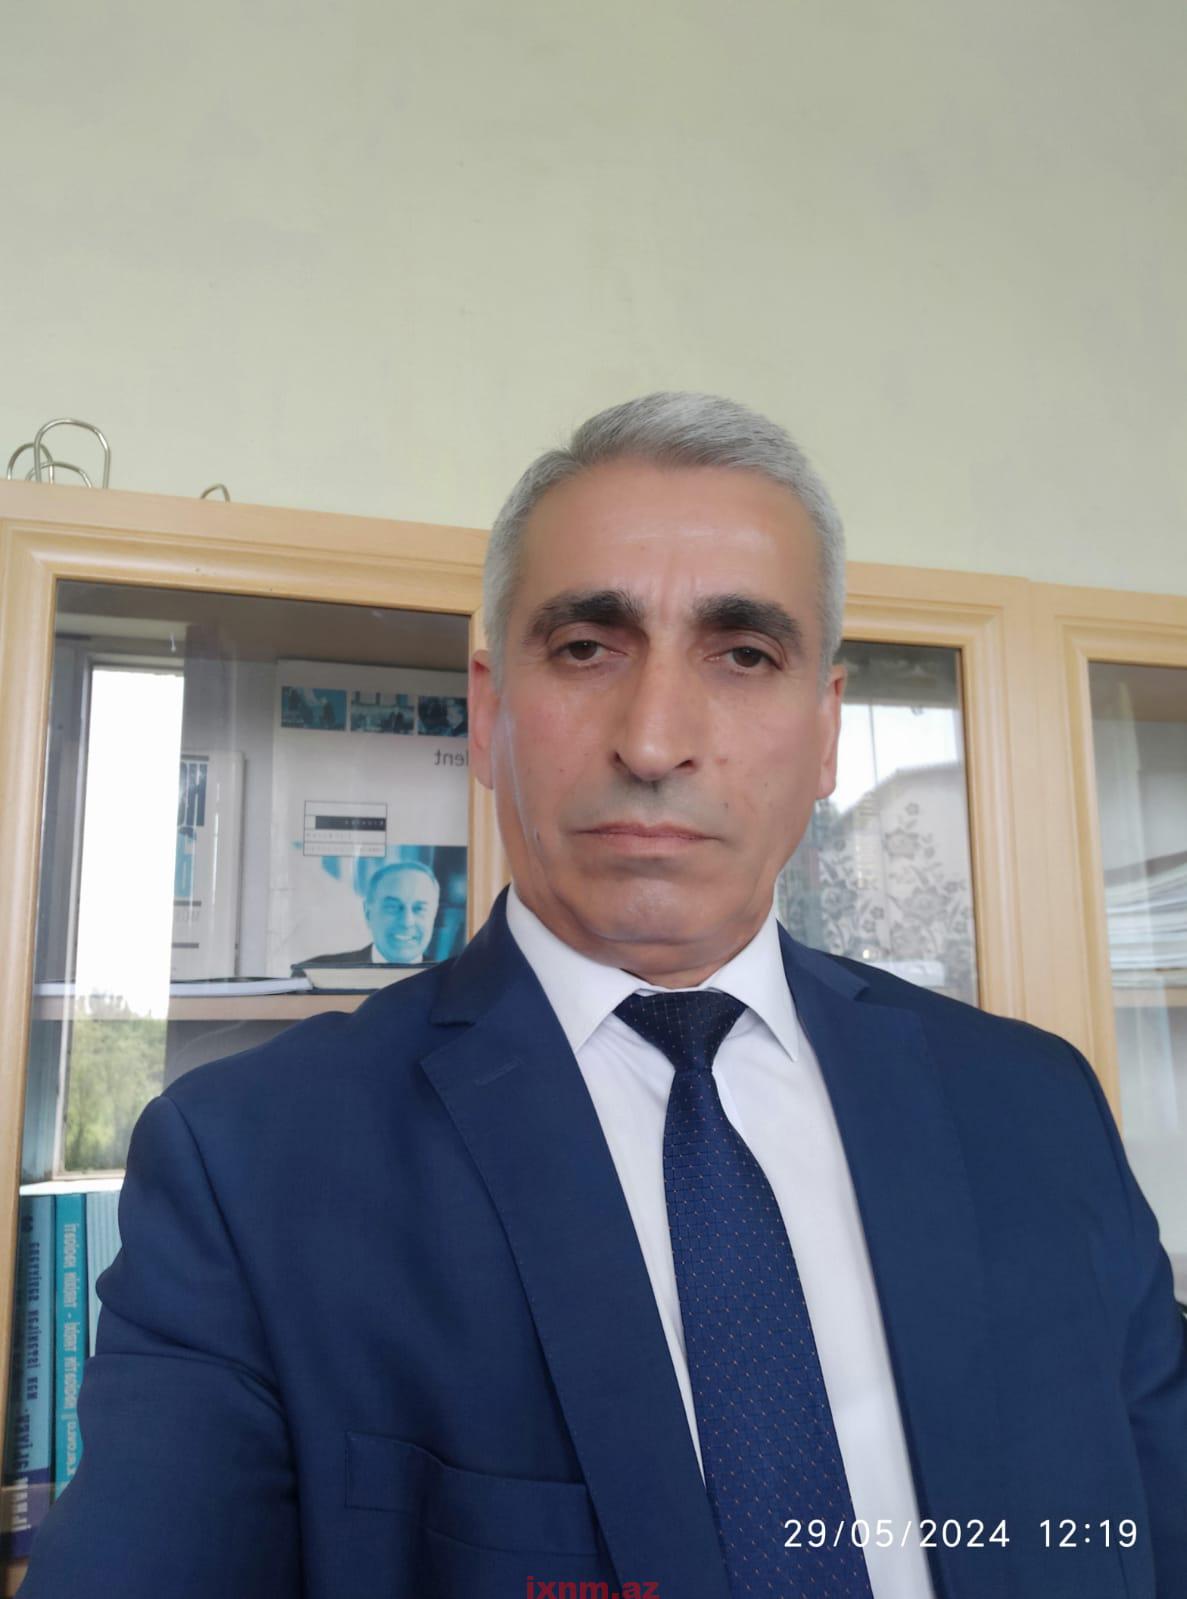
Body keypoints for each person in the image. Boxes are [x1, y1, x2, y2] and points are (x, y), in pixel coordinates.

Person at [20, 394, 1187, 1599]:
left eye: (743, 655)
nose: (654, 740)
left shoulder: (1035, 1108)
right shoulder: (252, 1164)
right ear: (487, 713)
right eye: (586, 648)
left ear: (826, 731)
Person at [291, 859, 441, 970]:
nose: (407, 921)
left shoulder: (451, 980)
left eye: (419, 909)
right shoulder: (313, 973)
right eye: (393, 907)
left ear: (434, 915)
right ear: (368, 913)